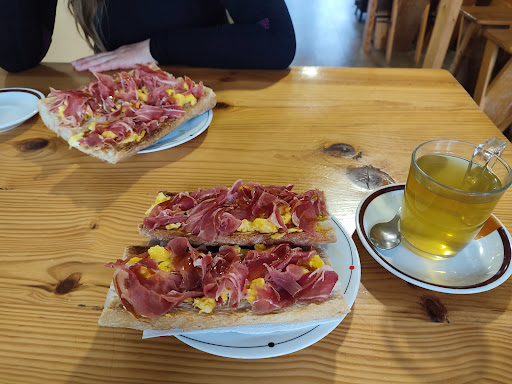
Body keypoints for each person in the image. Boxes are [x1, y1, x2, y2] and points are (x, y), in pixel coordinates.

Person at [0, 0, 296, 73]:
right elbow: (17, 58)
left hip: (209, 104)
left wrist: (156, 48)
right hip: (120, 115)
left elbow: (276, 42)